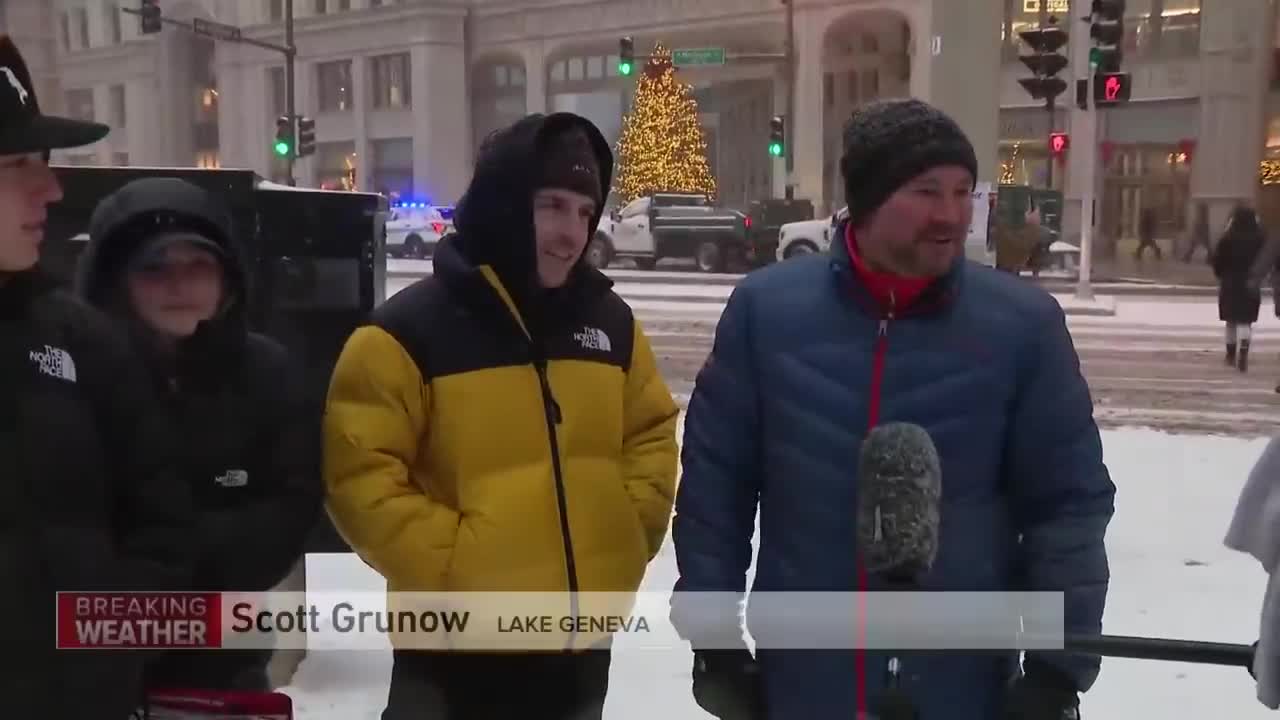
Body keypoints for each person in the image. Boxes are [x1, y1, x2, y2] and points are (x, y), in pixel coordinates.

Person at [671, 98, 1116, 720]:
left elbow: (1067, 505)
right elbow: (716, 490)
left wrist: (1056, 668)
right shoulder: (765, 313)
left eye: (963, 192)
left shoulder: (1023, 327)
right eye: (927, 191)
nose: (952, 215)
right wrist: (714, 641)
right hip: (804, 680)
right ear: (870, 199)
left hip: (961, 686)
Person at [323, 111, 680, 720]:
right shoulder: (407, 332)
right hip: (455, 653)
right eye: (552, 205)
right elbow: (362, 478)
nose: (572, 232)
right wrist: (459, 565)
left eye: (584, 212)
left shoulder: (611, 324)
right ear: (503, 204)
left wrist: (625, 530)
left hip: (581, 645)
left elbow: (648, 433)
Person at [0, 34, 193, 718]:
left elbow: (163, 525)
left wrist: (103, 651)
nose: (50, 187)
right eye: (17, 161)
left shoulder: (80, 340)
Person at [74, 176, 323, 693]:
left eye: (198, 266)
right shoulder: (72, 372)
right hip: (91, 665)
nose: (179, 285)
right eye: (155, 268)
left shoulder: (268, 373)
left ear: (228, 279)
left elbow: (289, 513)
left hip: (228, 657)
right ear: (115, 281)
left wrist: (164, 555)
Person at [1211, 204, 1265, 372]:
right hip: (1251, 283)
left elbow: (1217, 261)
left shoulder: (1227, 238)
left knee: (1230, 321)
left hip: (1230, 282)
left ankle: (1230, 354)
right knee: (1245, 321)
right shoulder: (1260, 239)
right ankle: (1244, 350)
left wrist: (1221, 274)